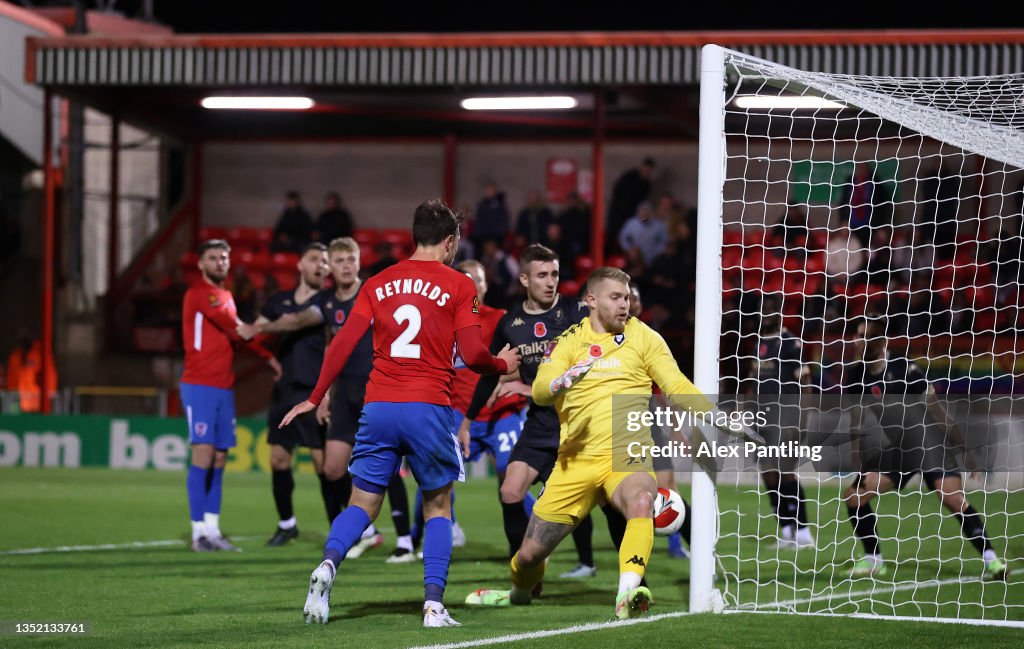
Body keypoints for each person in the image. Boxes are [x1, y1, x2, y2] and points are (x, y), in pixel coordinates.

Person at [279, 199, 521, 627]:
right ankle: (432, 605)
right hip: (427, 407)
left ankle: (329, 565)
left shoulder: (377, 283)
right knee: (438, 507)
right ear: (449, 242)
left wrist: (315, 397)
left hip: (378, 408)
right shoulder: (459, 284)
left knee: (361, 504)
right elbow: (472, 354)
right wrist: (504, 365)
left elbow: (340, 344)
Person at [466, 267, 725, 618]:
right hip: (574, 462)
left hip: (626, 455)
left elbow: (677, 385)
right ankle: (517, 593)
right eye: (616, 297)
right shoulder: (569, 342)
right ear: (591, 300)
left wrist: (718, 417)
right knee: (528, 555)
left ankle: (628, 592)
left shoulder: (644, 337)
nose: (626, 303)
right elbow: (541, 391)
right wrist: (561, 383)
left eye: (628, 296)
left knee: (643, 499)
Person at [460, 244, 600, 579]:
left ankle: (614, 571)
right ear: (524, 279)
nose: (550, 281)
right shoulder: (511, 323)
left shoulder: (577, 312)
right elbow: (490, 374)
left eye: (554, 274)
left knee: (601, 503)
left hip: (577, 422)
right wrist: (467, 420)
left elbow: (597, 359)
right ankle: (522, 571)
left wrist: (528, 388)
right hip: (540, 424)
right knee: (510, 490)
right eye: (542, 275)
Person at [841, 314, 1006, 580]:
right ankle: (874, 560)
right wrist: (858, 465)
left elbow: (938, 413)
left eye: (863, 336)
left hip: (929, 443)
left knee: (951, 498)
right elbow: (855, 423)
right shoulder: (855, 376)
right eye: (856, 335)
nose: (856, 341)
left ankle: (992, 561)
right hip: (900, 450)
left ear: (881, 342)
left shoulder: (906, 370)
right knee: (854, 496)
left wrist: (964, 451)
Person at [180, 239, 281, 552]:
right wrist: (274, 327)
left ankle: (212, 529)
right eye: (213, 257)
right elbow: (237, 330)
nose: (220, 262)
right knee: (204, 455)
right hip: (200, 385)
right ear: (201, 263)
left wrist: (265, 355)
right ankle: (198, 533)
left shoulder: (225, 296)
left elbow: (237, 338)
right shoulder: (201, 294)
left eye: (223, 257)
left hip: (224, 387)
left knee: (221, 457)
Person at [237, 243, 337, 546]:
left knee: (323, 464)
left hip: (314, 390)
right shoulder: (278, 300)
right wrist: (267, 356)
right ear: (300, 265)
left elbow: (296, 321)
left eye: (325, 261)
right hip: (284, 390)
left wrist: (257, 328)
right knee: (279, 459)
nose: (321, 265)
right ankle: (287, 524)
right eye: (315, 259)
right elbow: (253, 332)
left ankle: (339, 528)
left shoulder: (328, 300)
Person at [746, 297, 815, 549]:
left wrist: (802, 420)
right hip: (762, 420)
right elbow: (753, 384)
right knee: (768, 474)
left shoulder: (791, 343)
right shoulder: (758, 345)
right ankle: (786, 530)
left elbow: (805, 384)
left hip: (786, 417)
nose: (766, 315)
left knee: (786, 472)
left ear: (779, 313)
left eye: (771, 311)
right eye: (762, 311)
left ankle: (804, 532)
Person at [608, 158, 655, 251]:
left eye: (649, 170)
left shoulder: (646, 184)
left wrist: (641, 217)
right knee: (613, 237)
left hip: (633, 216)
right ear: (641, 167)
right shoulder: (629, 176)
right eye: (646, 169)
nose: (647, 172)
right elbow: (617, 191)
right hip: (618, 214)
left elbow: (643, 203)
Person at [6, 332, 57, 414]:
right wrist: (11, 396)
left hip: (36, 402)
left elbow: (49, 376)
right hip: (18, 401)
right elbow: (11, 378)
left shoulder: (39, 355)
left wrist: (49, 395)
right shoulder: (15, 357)